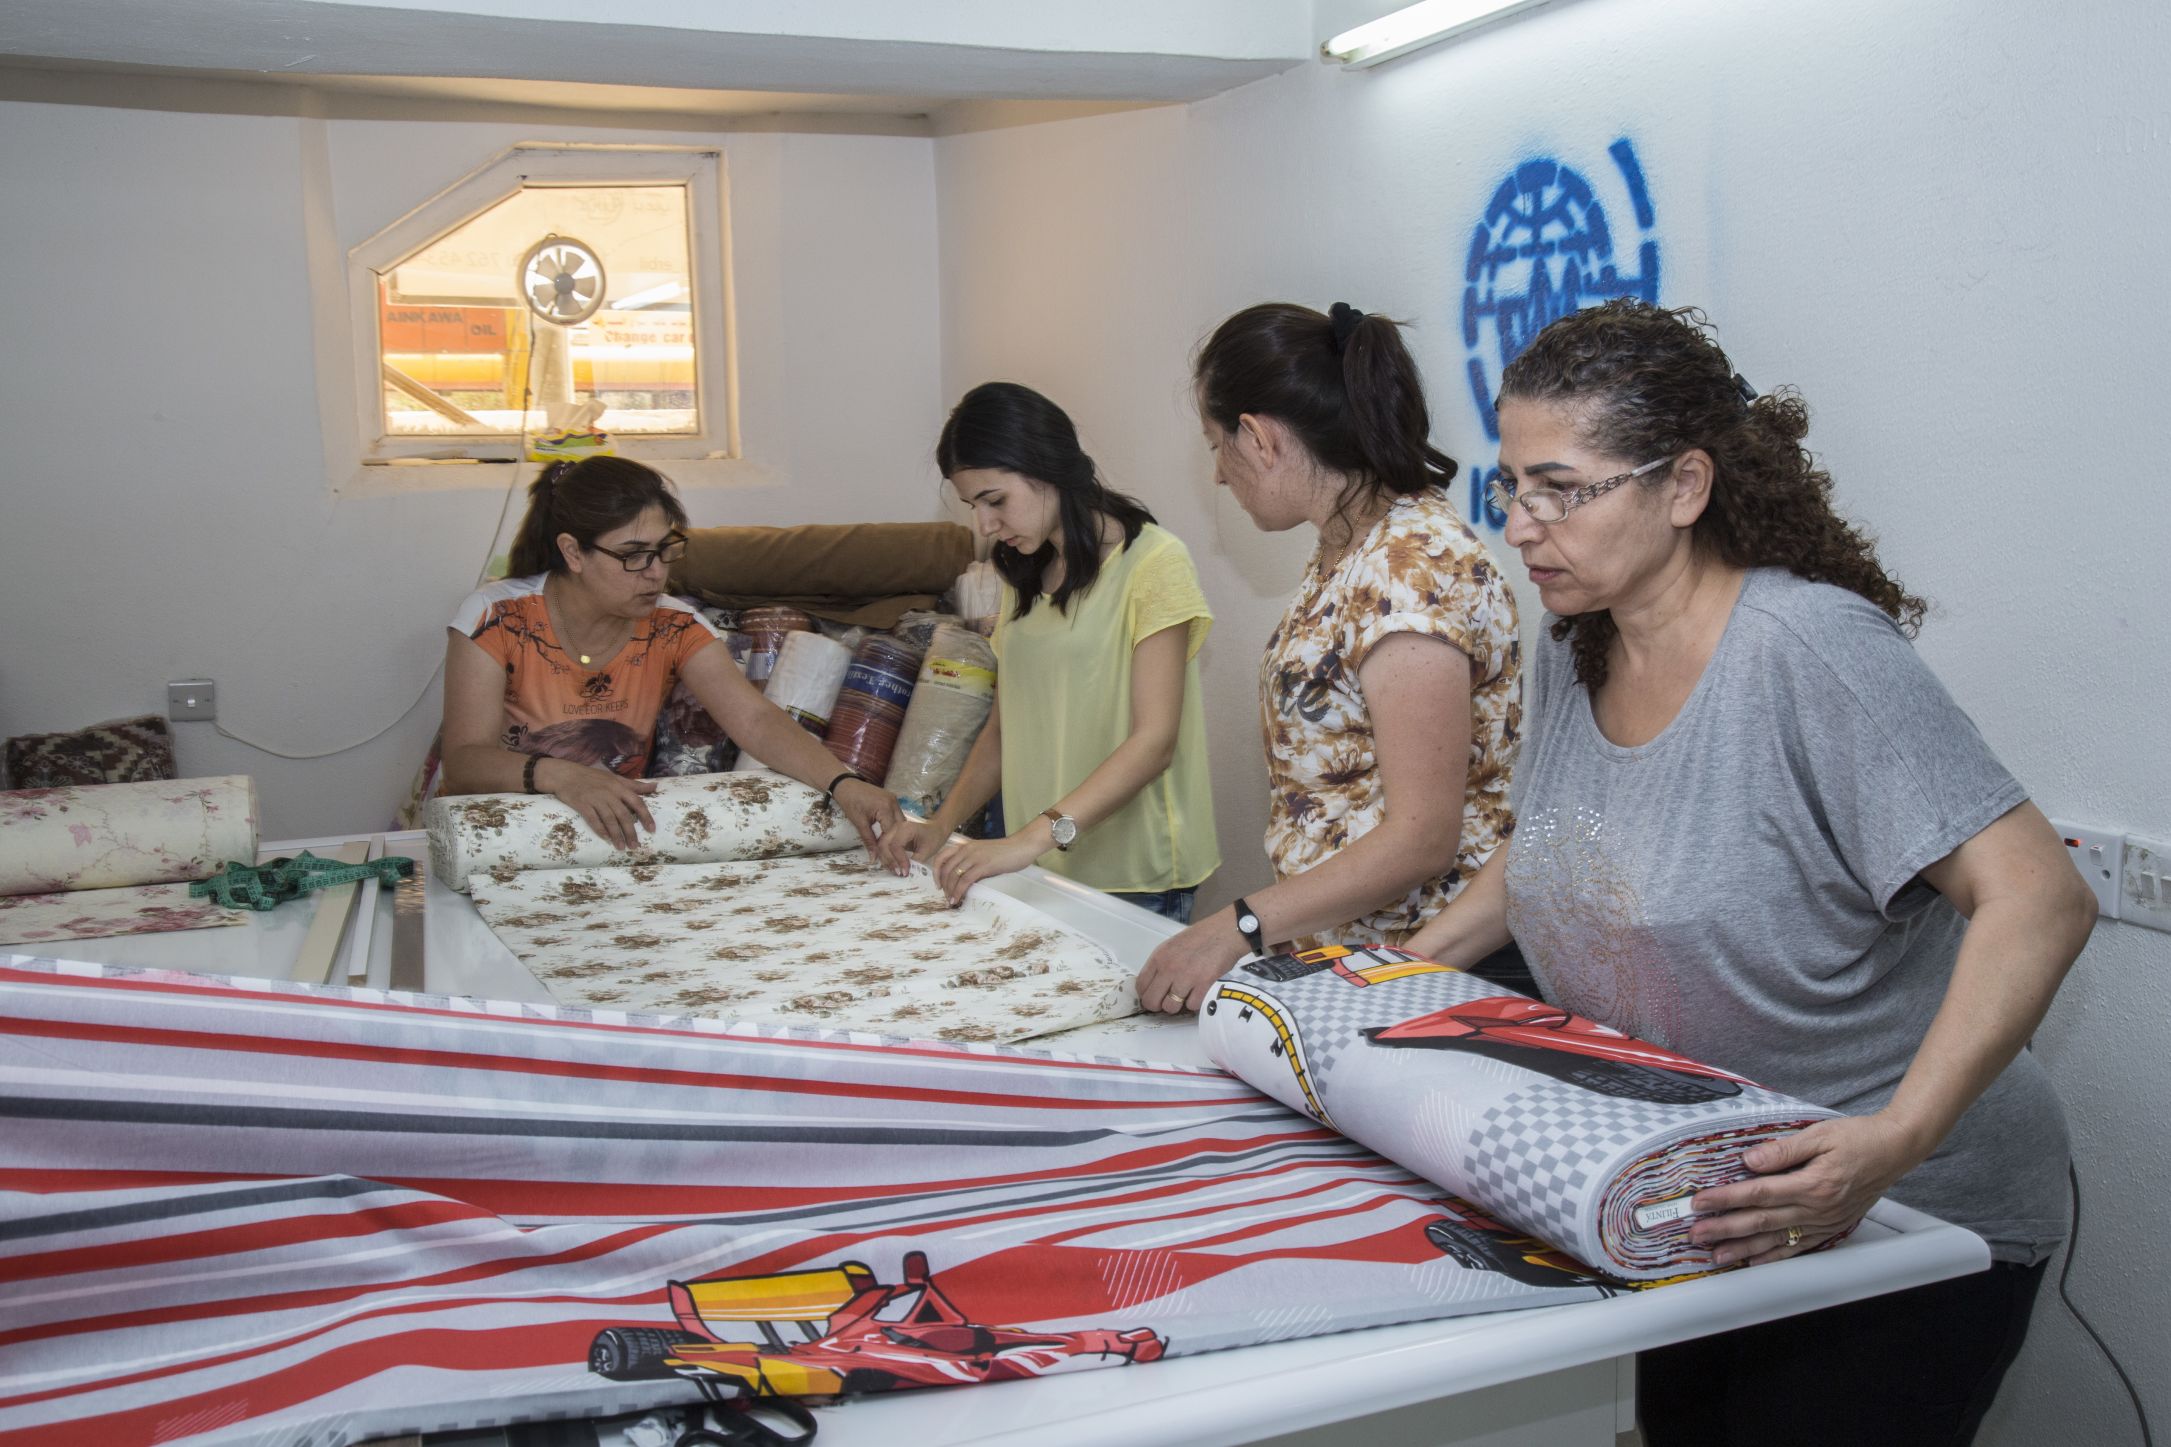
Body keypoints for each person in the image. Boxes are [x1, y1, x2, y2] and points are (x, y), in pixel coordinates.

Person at [1400, 299, 2094, 1447]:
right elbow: (1553, 845)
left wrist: (1892, 1141)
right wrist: (1395, 972)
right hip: (1711, 1192)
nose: (1520, 527)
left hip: (1899, 1202)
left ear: (1682, 487)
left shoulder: (1807, 650)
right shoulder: (1578, 646)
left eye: (1559, 489)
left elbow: (2038, 894)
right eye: (1510, 488)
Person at [1133, 302, 1522, 1013]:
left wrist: (1238, 925)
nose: (1218, 476)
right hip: (1356, 959)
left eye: (1216, 444)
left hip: (1429, 969)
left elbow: (1420, 838)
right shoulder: (1351, 546)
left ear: (1257, 436)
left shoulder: (1408, 570)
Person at [439, 456, 904, 859]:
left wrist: (843, 784)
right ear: (572, 553)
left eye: (665, 550)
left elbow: (756, 722)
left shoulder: (673, 626)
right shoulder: (496, 619)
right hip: (503, 829)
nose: (656, 573)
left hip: (613, 832)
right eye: (634, 556)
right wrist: (562, 776)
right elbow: (463, 764)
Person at [872, 382, 1219, 920]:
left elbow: (1155, 744)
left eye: (995, 501)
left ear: (1049, 469)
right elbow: (1004, 730)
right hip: (1041, 864)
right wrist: (941, 826)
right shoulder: (1025, 575)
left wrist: (1030, 839)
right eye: (973, 506)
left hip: (1131, 873)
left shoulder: (1153, 563)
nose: (984, 526)